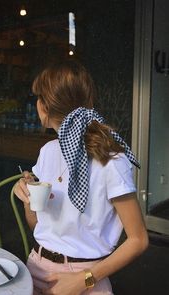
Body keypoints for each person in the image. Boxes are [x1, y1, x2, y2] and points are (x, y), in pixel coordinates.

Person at [14, 60, 148, 295]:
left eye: (37, 97)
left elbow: (138, 239)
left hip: (85, 278)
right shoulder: (48, 152)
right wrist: (28, 197)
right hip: (36, 266)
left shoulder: (111, 161)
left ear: (43, 107)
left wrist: (83, 280)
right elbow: (38, 225)